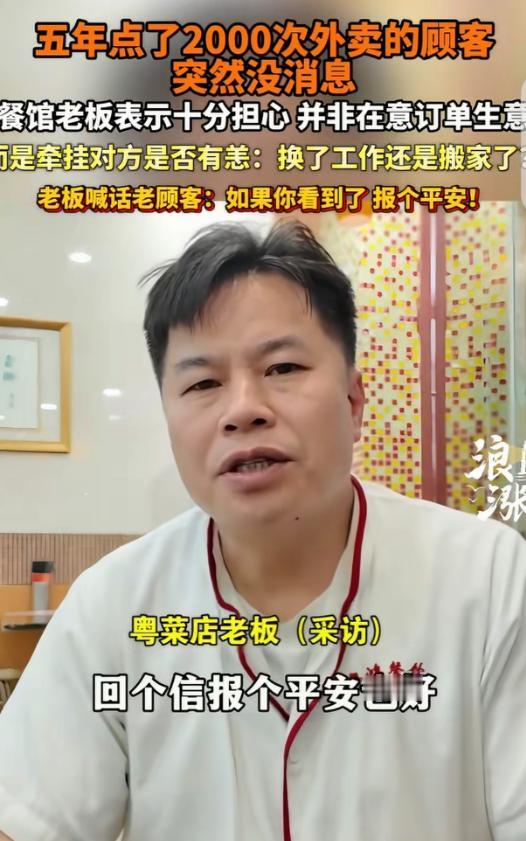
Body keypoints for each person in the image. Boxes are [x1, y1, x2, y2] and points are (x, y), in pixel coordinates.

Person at [0, 220, 525, 841]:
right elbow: (28, 817)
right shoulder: (112, 605)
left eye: (282, 367)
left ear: (353, 402)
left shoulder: (488, 579)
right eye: (203, 383)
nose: (244, 409)